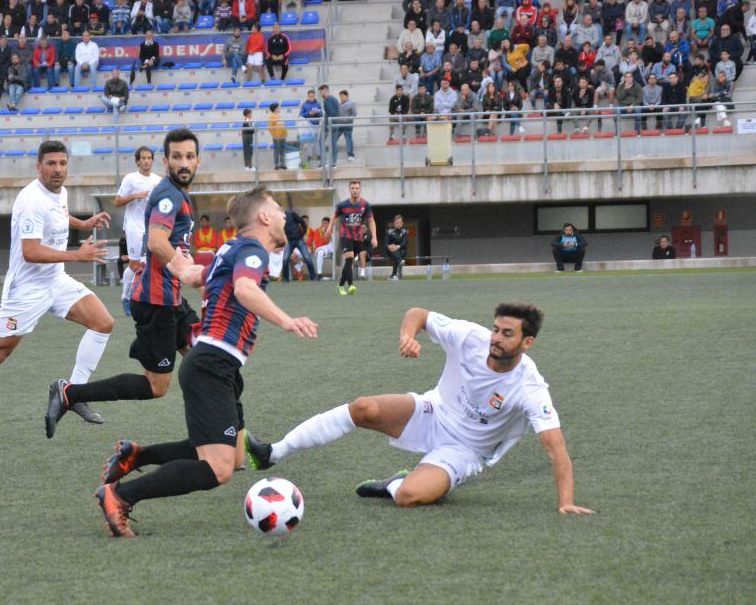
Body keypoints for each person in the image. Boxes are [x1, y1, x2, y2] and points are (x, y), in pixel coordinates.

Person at [93, 187, 319, 537]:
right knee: (218, 468)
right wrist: (287, 320)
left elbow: (193, 277)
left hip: (221, 365)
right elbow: (245, 289)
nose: (282, 215)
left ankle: (136, 455)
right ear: (263, 217)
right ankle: (120, 495)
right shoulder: (251, 249)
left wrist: (179, 262)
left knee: (235, 455)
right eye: (277, 208)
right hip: (211, 363)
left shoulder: (231, 247)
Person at [244, 304, 594, 516]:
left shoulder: (530, 387)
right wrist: (407, 336)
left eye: (507, 333)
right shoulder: (470, 336)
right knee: (363, 407)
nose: (495, 338)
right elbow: (419, 314)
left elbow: (556, 448)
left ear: (527, 342)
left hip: (466, 451)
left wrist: (566, 501)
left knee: (410, 498)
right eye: (496, 328)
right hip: (434, 411)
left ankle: (395, 484)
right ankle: (272, 453)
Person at [0, 140, 113, 447]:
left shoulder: (61, 192)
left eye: (62, 163)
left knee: (103, 322)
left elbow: (59, 214)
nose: (57, 169)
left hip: (56, 280)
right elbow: (29, 251)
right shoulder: (30, 199)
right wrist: (77, 256)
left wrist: (83, 223)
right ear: (38, 166)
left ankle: (73, 393)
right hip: (27, 290)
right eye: (51, 164)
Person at [46, 129, 203, 439]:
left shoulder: (175, 192)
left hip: (170, 298)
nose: (183, 162)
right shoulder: (170, 196)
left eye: (189, 156)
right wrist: (188, 273)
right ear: (165, 160)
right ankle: (69, 394)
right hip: (156, 302)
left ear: (198, 160)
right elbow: (158, 242)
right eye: (176, 156)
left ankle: (220, 431)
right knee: (157, 386)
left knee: (205, 356)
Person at [114, 145, 163, 315]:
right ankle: (126, 297)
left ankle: (144, 297)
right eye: (143, 158)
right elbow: (117, 202)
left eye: (149, 158)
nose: (146, 161)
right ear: (137, 161)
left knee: (149, 264)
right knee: (135, 265)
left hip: (151, 227)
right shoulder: (130, 179)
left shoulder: (158, 180)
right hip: (134, 227)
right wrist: (135, 195)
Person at [326, 180, 377, 294]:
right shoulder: (342, 205)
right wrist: (329, 229)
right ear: (349, 190)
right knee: (349, 258)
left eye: (356, 188)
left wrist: (374, 237)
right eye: (352, 188)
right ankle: (351, 285)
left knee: (351, 261)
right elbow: (334, 217)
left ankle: (340, 286)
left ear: (360, 190)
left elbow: (371, 221)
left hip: (358, 237)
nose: (354, 190)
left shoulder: (365, 205)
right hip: (345, 235)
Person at [281, 208, 316, 282]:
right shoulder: (276, 218)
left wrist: (304, 233)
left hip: (299, 239)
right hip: (289, 241)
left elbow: (302, 222)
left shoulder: (291, 213)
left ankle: (314, 277)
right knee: (285, 259)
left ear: (281, 208)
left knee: (307, 258)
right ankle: (285, 278)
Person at [385, 215, 409, 280]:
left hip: (401, 250)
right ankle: (401, 261)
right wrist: (389, 246)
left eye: (399, 222)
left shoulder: (405, 231)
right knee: (394, 253)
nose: (398, 224)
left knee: (397, 255)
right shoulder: (389, 232)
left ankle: (393, 275)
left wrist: (397, 247)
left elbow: (405, 242)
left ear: (402, 223)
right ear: (394, 223)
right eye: (396, 223)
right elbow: (386, 243)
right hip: (391, 251)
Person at [267, 101, 287, 170]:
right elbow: (270, 128)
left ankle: (282, 163)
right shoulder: (272, 117)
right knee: (277, 150)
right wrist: (274, 135)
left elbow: (282, 126)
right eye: (278, 108)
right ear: (275, 109)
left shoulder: (279, 116)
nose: (279, 109)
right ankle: (276, 164)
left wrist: (285, 134)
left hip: (282, 136)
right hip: (277, 137)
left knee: (282, 150)